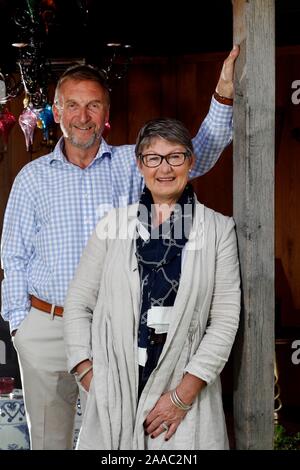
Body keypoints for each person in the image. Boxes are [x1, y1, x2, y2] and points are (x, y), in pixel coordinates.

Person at [1, 46, 239, 450]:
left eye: (93, 105)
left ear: (105, 114)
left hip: (116, 332)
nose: (82, 116)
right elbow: (13, 257)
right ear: (56, 112)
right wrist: (20, 326)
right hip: (47, 326)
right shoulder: (31, 178)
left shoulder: (135, 162)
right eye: (72, 105)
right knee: (48, 441)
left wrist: (224, 93)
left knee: (118, 442)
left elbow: (198, 152)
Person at [63, 117, 241, 450]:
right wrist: (88, 373)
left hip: (182, 383)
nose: (165, 168)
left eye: (175, 156)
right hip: (117, 383)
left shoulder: (218, 229)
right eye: (153, 158)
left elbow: (225, 319)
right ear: (140, 164)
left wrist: (182, 396)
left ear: (190, 161)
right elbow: (78, 302)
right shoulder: (113, 224)